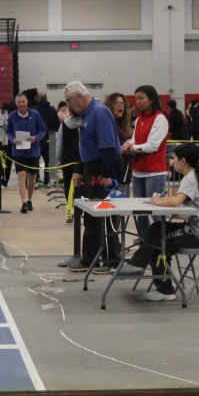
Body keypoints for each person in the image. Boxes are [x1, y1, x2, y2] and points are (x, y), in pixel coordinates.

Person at [119, 143, 199, 302]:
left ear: (183, 161)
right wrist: (164, 201)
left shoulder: (190, 179)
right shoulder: (196, 176)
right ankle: (137, 264)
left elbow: (176, 202)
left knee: (158, 243)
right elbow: (181, 203)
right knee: (157, 228)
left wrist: (159, 201)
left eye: (174, 158)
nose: (171, 161)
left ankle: (165, 289)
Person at [64, 81, 122, 274]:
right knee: (90, 216)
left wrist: (107, 175)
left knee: (105, 216)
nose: (68, 106)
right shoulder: (86, 114)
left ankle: (111, 259)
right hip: (91, 167)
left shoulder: (99, 113)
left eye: (69, 101)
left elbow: (107, 146)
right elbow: (86, 145)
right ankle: (91, 258)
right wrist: (80, 170)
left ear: (79, 97)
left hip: (103, 167)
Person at [123, 85, 168, 236]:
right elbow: (134, 139)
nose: (138, 102)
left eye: (141, 98)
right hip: (138, 171)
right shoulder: (139, 119)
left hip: (154, 173)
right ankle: (144, 241)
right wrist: (128, 143)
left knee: (156, 212)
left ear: (151, 99)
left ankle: (162, 242)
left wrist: (132, 148)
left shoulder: (160, 118)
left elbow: (152, 146)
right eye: (136, 98)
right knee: (140, 212)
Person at [6, 93, 47, 214]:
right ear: (16, 103)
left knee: (32, 177)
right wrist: (12, 140)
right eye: (19, 102)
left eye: (23, 101)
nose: (21, 104)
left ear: (27, 102)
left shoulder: (35, 114)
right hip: (18, 152)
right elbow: (8, 132)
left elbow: (43, 130)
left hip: (33, 151)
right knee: (21, 176)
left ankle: (29, 199)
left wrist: (36, 138)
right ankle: (23, 202)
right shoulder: (12, 116)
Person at [104, 93, 132, 186]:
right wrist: (124, 145)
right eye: (117, 103)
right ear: (110, 105)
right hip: (112, 170)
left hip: (123, 168)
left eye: (122, 103)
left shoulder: (122, 124)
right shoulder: (108, 122)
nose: (121, 105)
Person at [35, 91, 60, 185]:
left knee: (36, 158)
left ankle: (36, 178)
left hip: (39, 137)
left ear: (38, 99)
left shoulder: (36, 110)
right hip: (51, 136)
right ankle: (48, 179)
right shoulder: (52, 109)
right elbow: (57, 125)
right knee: (48, 160)